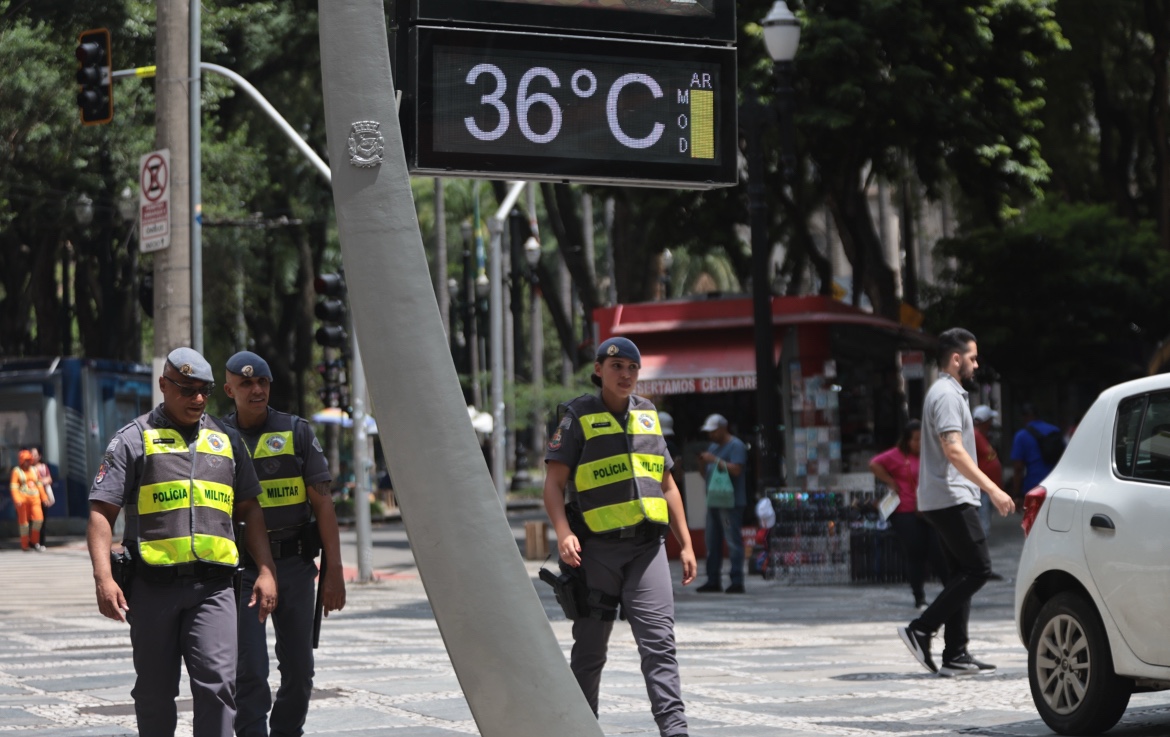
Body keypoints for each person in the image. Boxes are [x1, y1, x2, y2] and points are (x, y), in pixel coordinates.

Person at [86, 347, 279, 737]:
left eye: (204, 391)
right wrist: (103, 578)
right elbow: (101, 513)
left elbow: (250, 509)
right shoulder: (133, 440)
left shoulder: (227, 440)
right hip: (151, 588)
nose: (197, 399)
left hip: (214, 588)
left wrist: (267, 570)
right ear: (163, 385)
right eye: (187, 389)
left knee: (218, 685)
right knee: (155, 693)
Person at [543, 336, 696, 737]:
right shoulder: (576, 417)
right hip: (595, 553)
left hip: (648, 549)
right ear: (598, 370)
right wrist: (563, 534)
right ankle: (581, 728)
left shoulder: (649, 415)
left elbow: (668, 486)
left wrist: (687, 542)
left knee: (660, 646)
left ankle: (675, 731)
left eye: (632, 368)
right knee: (591, 651)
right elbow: (553, 485)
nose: (625, 375)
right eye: (616, 367)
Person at [221, 350, 346, 737]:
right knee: (250, 671)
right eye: (246, 384)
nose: (256, 390)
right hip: (241, 571)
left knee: (300, 671)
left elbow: (323, 506)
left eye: (262, 382)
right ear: (229, 390)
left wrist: (334, 573)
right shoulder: (218, 437)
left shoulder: (297, 432)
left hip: (294, 565)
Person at [897, 328, 1014, 678]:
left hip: (944, 496)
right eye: (973, 358)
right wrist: (992, 489)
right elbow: (953, 449)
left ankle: (955, 652)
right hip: (951, 495)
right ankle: (921, 628)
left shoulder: (948, 393)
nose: (977, 365)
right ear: (956, 358)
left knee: (960, 572)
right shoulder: (946, 395)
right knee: (978, 568)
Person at [869, 420, 940, 609]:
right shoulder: (896, 455)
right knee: (915, 553)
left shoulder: (930, 454)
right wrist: (890, 481)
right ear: (907, 440)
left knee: (938, 551)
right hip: (905, 511)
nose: (919, 443)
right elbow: (874, 464)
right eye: (916, 440)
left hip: (929, 509)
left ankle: (951, 592)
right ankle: (919, 596)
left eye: (922, 439)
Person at [695, 413, 748, 594]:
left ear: (723, 428)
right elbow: (707, 474)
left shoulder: (736, 446)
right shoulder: (713, 447)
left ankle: (737, 580)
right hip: (714, 501)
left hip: (730, 502)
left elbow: (736, 469)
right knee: (712, 541)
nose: (711, 435)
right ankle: (713, 579)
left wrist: (714, 460)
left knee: (732, 541)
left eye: (713, 431)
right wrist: (703, 463)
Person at [1010, 402, 1063, 503]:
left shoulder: (1021, 436)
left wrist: (1016, 494)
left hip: (1034, 487)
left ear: (1024, 417)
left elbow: (1018, 468)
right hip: (1056, 486)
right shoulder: (1055, 431)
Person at [11, 449, 51, 551]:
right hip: (23, 502)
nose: (28, 462)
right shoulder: (16, 471)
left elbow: (39, 485)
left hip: (35, 500)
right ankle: (25, 545)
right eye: (26, 460)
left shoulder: (34, 470)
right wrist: (17, 500)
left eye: (29, 460)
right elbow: (14, 487)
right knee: (24, 524)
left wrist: (44, 498)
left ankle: (34, 542)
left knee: (38, 520)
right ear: (21, 460)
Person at [971, 406, 1002, 538]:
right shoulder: (974, 435)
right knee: (983, 525)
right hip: (982, 489)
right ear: (985, 421)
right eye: (990, 420)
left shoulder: (982, 436)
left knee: (985, 523)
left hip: (987, 488)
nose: (992, 423)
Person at [30, 446, 54, 546]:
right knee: (32, 521)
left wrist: (39, 482)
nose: (33, 457)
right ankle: (32, 541)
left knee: (42, 520)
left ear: (39, 456)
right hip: (31, 498)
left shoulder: (43, 467)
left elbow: (49, 479)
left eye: (35, 455)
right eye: (31, 454)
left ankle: (41, 542)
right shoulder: (28, 468)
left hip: (43, 498)